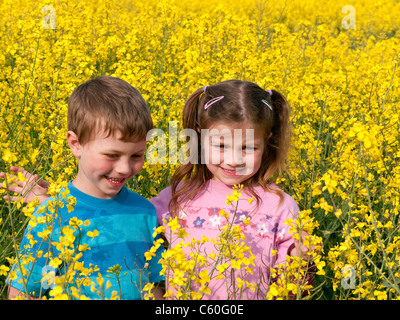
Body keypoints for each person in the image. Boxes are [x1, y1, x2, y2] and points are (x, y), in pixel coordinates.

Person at [2, 76, 164, 300]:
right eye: (112, 155)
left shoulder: (144, 211)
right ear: (76, 144)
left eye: (137, 155)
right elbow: (30, 291)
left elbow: (154, 284)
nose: (125, 168)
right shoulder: (52, 218)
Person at [149, 80, 315, 299]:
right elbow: (135, 238)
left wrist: (302, 260)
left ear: (267, 141)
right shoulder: (178, 195)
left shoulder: (280, 206)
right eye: (220, 145)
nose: (234, 160)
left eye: (248, 148)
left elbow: (295, 290)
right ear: (199, 137)